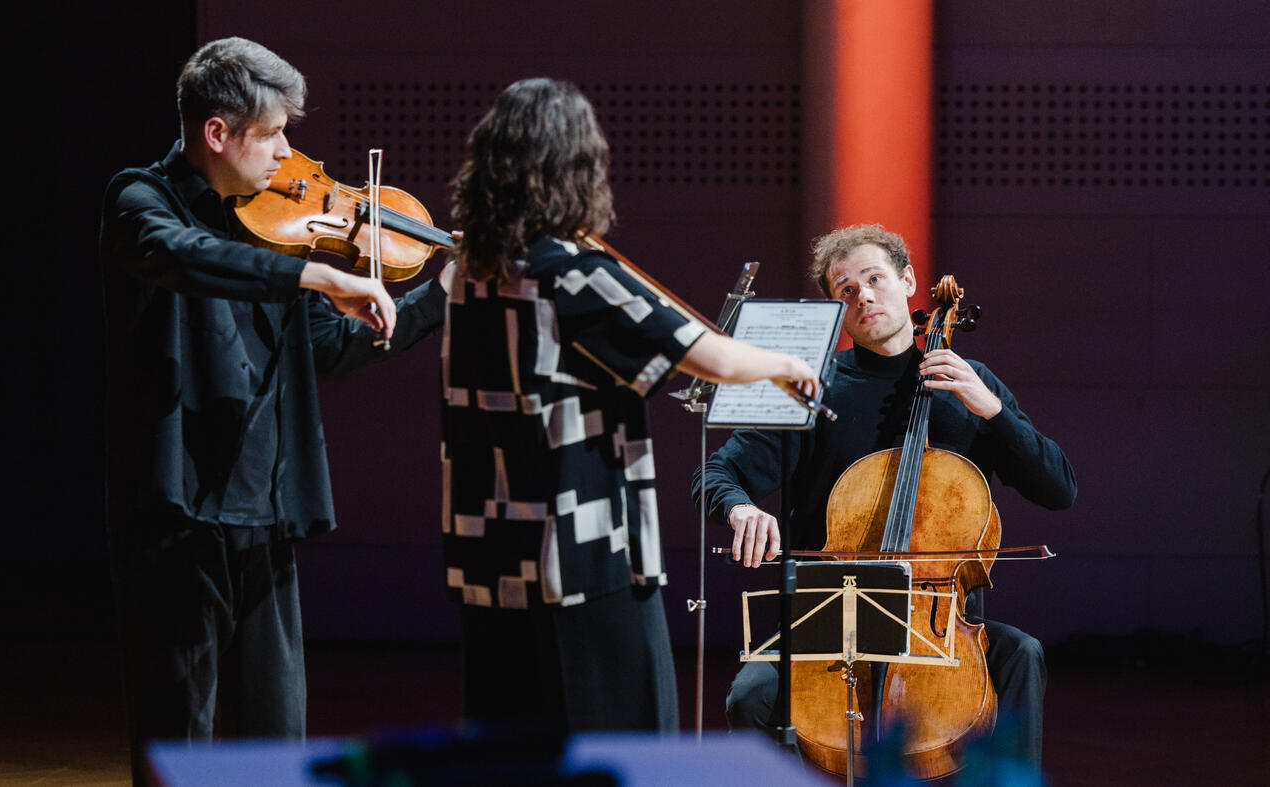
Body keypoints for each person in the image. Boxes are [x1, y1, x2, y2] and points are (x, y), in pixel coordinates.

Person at [98, 37, 450, 781]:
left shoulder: (285, 228)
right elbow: (191, 258)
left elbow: (332, 350)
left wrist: (439, 299)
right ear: (217, 133)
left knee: (278, 731)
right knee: (175, 733)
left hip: (264, 509)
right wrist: (316, 275)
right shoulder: (141, 202)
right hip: (176, 514)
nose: (289, 153)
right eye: (274, 133)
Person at [440, 77, 822, 735]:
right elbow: (717, 358)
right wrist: (787, 363)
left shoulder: (467, 269)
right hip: (579, 552)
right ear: (575, 169)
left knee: (507, 745)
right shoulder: (573, 270)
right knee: (617, 735)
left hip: (489, 549)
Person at [693, 224, 1076, 769]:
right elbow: (716, 473)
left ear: (909, 281)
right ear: (835, 308)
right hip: (831, 621)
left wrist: (992, 410)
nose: (863, 295)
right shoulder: (812, 386)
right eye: (845, 289)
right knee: (749, 695)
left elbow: (1059, 488)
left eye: (874, 278)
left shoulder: (971, 385)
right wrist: (740, 505)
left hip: (943, 627)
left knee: (1022, 655)